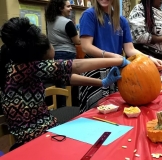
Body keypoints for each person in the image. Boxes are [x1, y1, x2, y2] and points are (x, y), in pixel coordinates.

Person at [0, 17, 129, 151]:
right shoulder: (25, 68)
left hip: (44, 129)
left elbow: (67, 78)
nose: (52, 62)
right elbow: (76, 66)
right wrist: (118, 60)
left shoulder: (20, 66)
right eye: (50, 60)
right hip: (36, 139)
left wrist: (102, 82)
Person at [79, 0, 162, 113]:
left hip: (115, 71)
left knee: (116, 111)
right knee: (96, 112)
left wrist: (149, 58)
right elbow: (86, 46)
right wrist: (111, 56)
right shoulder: (89, 15)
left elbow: (130, 49)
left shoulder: (122, 21)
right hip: (94, 70)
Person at [45, 0, 81, 107]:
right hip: (67, 54)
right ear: (60, 8)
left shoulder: (49, 21)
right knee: (72, 84)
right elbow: (77, 41)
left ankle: (62, 108)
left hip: (55, 55)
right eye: (68, 6)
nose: (71, 8)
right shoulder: (67, 22)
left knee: (60, 86)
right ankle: (72, 108)